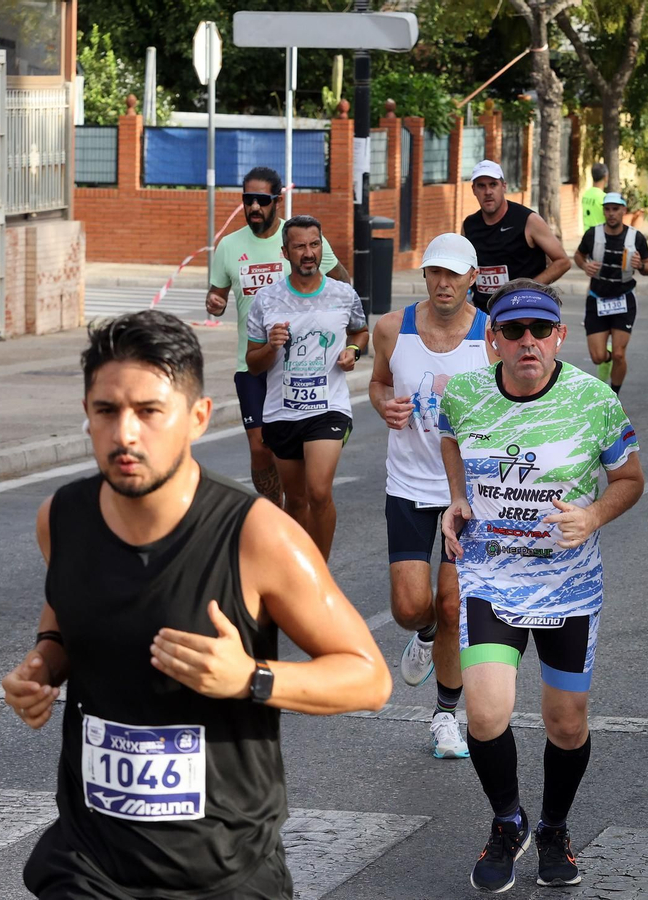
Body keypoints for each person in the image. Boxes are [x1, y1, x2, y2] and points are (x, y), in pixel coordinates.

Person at [7, 310, 391, 900]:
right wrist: (47, 660)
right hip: (90, 863)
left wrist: (252, 678)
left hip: (223, 869)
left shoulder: (259, 536)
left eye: (149, 412)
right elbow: (65, 608)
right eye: (106, 412)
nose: (125, 434)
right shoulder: (60, 520)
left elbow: (368, 678)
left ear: (198, 418)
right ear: (87, 416)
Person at [437, 281, 643, 892]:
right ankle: (507, 822)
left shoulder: (595, 400)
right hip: (490, 576)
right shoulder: (466, 393)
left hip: (567, 586)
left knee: (566, 724)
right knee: (485, 713)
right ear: (493, 341)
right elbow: (451, 437)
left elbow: (630, 477)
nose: (527, 342)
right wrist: (456, 497)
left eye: (539, 331)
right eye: (513, 332)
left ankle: (553, 828)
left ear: (558, 335)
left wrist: (594, 516)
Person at [370, 233, 496, 761]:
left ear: (472, 278)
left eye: (454, 274)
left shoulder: (492, 336)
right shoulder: (390, 330)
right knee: (409, 607)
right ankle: (421, 634)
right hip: (407, 484)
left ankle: (446, 716)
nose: (443, 284)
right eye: (434, 273)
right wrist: (383, 405)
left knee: (451, 606)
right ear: (424, 276)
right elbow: (378, 383)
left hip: (463, 494)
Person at [206, 166, 349, 509]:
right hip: (253, 361)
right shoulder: (228, 246)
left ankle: (294, 505)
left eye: (262, 200)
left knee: (295, 446)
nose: (254, 207)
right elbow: (217, 296)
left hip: (300, 362)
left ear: (277, 201)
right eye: (248, 200)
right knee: (259, 447)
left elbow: (341, 281)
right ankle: (272, 507)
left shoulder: (300, 239)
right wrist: (214, 303)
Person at [244, 215, 367, 561]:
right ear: (286, 252)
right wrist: (271, 346)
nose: (308, 253)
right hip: (282, 411)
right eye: (299, 246)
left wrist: (353, 351)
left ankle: (319, 574)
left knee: (318, 490)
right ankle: (296, 571)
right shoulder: (267, 300)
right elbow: (253, 362)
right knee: (295, 500)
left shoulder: (343, 294)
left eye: (314, 245)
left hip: (329, 408)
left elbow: (360, 331)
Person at [462, 160, 571, 312]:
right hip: (484, 315)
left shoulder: (528, 220)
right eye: (481, 186)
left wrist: (527, 290)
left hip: (523, 312)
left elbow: (563, 261)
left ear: (504, 186)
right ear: (474, 190)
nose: (487, 192)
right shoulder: (469, 225)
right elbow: (466, 268)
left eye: (493, 184)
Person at [574, 192, 648, 395]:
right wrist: (585, 266)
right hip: (597, 298)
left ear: (623, 211)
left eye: (616, 209)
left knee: (619, 354)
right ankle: (605, 360)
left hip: (624, 297)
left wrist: (641, 265)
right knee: (597, 356)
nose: (611, 214)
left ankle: (614, 396)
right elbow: (578, 255)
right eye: (607, 209)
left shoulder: (635, 237)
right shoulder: (593, 234)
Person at [580, 164, 609, 231]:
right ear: (606, 177)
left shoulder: (586, 195)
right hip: (600, 236)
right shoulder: (604, 198)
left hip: (587, 235)